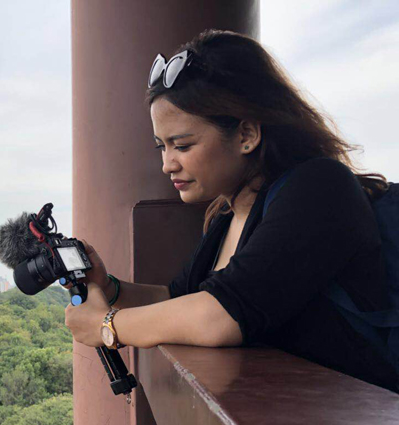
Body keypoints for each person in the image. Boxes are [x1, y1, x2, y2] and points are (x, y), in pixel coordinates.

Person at [64, 29, 398, 393]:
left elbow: (222, 315)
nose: (167, 165)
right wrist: (109, 287)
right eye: (162, 146)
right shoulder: (229, 212)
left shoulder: (319, 189)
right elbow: (179, 301)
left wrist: (107, 326)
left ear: (246, 135)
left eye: (182, 145)